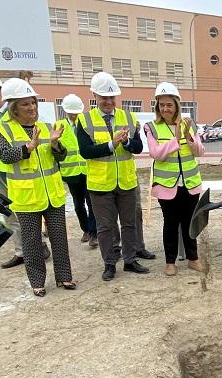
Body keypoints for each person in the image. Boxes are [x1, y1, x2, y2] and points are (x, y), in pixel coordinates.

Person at [0, 78, 74, 297]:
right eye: (25, 104)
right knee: (32, 243)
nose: (31, 107)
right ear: (14, 108)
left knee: (59, 238)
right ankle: (37, 282)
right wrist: (28, 148)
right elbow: (5, 156)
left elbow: (60, 156)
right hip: (27, 197)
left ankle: (64, 277)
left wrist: (57, 144)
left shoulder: (46, 127)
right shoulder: (3, 130)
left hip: (52, 194)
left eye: (33, 103)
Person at [77, 72, 149, 281]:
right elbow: (85, 151)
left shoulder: (128, 116)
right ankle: (109, 263)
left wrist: (126, 143)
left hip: (126, 181)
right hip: (100, 184)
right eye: (103, 97)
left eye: (111, 97)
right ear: (95, 96)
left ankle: (129, 260)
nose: (108, 101)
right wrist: (112, 145)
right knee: (105, 227)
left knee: (129, 223)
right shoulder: (85, 119)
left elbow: (138, 147)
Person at [0, 75, 50, 268]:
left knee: (24, 213)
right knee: (8, 215)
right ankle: (21, 252)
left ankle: (38, 247)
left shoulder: (14, 112)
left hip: (19, 172)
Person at [145, 82, 205, 276]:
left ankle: (193, 258)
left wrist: (188, 137)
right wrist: (175, 139)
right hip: (166, 185)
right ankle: (170, 261)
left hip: (190, 183)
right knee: (170, 223)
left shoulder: (190, 124)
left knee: (190, 222)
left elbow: (200, 152)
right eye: (161, 105)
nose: (165, 109)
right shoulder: (152, 127)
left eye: (169, 104)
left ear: (177, 105)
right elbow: (156, 153)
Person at [57, 94, 98, 248]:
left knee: (92, 202)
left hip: (88, 170)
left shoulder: (87, 123)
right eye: (71, 112)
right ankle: (86, 229)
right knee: (78, 204)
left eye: (76, 112)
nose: (74, 115)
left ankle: (94, 233)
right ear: (66, 111)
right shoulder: (59, 125)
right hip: (71, 173)